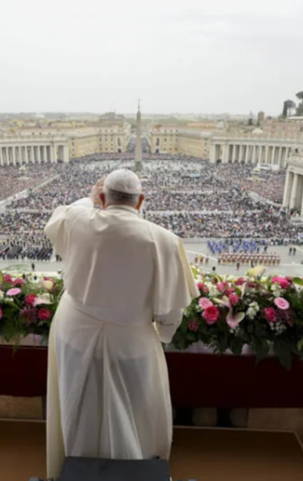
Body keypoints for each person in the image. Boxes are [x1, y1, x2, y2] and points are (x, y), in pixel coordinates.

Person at [43, 169, 198, 479]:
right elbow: (170, 312)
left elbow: (59, 220)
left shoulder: (78, 219)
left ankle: (78, 463)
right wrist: (164, 336)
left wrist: (91, 198)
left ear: (102, 198)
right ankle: (135, 467)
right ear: (141, 201)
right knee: (135, 410)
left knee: (79, 403)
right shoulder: (164, 240)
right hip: (132, 340)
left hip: (74, 333)